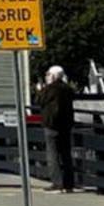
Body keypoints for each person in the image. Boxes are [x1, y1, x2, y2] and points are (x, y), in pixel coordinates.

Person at [35, 65, 76, 193]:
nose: (46, 77)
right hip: (66, 125)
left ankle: (57, 183)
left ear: (53, 76)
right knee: (66, 154)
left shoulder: (49, 89)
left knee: (52, 154)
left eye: (48, 74)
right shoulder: (67, 89)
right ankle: (69, 183)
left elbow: (39, 101)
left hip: (51, 125)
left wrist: (39, 90)